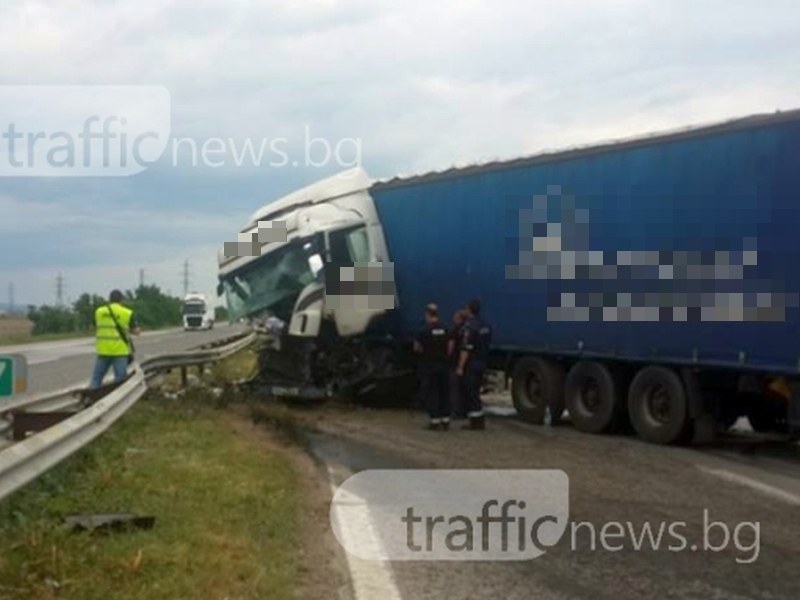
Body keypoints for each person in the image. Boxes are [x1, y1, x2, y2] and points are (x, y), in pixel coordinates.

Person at [89, 290, 141, 389]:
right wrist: (127, 329)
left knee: (96, 379)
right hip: (120, 351)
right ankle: (117, 399)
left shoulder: (99, 312)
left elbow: (93, 327)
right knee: (120, 381)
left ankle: (91, 398)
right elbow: (137, 332)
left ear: (110, 299)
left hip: (103, 350)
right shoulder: (127, 313)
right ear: (121, 300)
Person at [413, 303, 451, 430]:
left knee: (432, 392)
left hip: (430, 365)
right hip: (444, 365)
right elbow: (450, 346)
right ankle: (446, 420)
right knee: (444, 392)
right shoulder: (446, 328)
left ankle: (434, 421)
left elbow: (417, 348)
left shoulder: (424, 330)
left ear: (428, 315)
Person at [456, 298, 492, 430]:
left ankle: (475, 422)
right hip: (482, 361)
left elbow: (466, 348)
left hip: (471, 364)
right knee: (476, 390)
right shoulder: (485, 325)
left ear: (469, 310)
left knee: (471, 392)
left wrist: (460, 367)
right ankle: (478, 419)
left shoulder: (469, 327)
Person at [448, 309, 468, 419]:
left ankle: (455, 411)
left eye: (455, 317)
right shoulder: (466, 330)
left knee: (454, 388)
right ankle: (464, 410)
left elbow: (450, 347)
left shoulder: (454, 330)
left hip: (454, 362)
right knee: (463, 388)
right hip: (465, 363)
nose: (453, 319)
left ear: (459, 319)